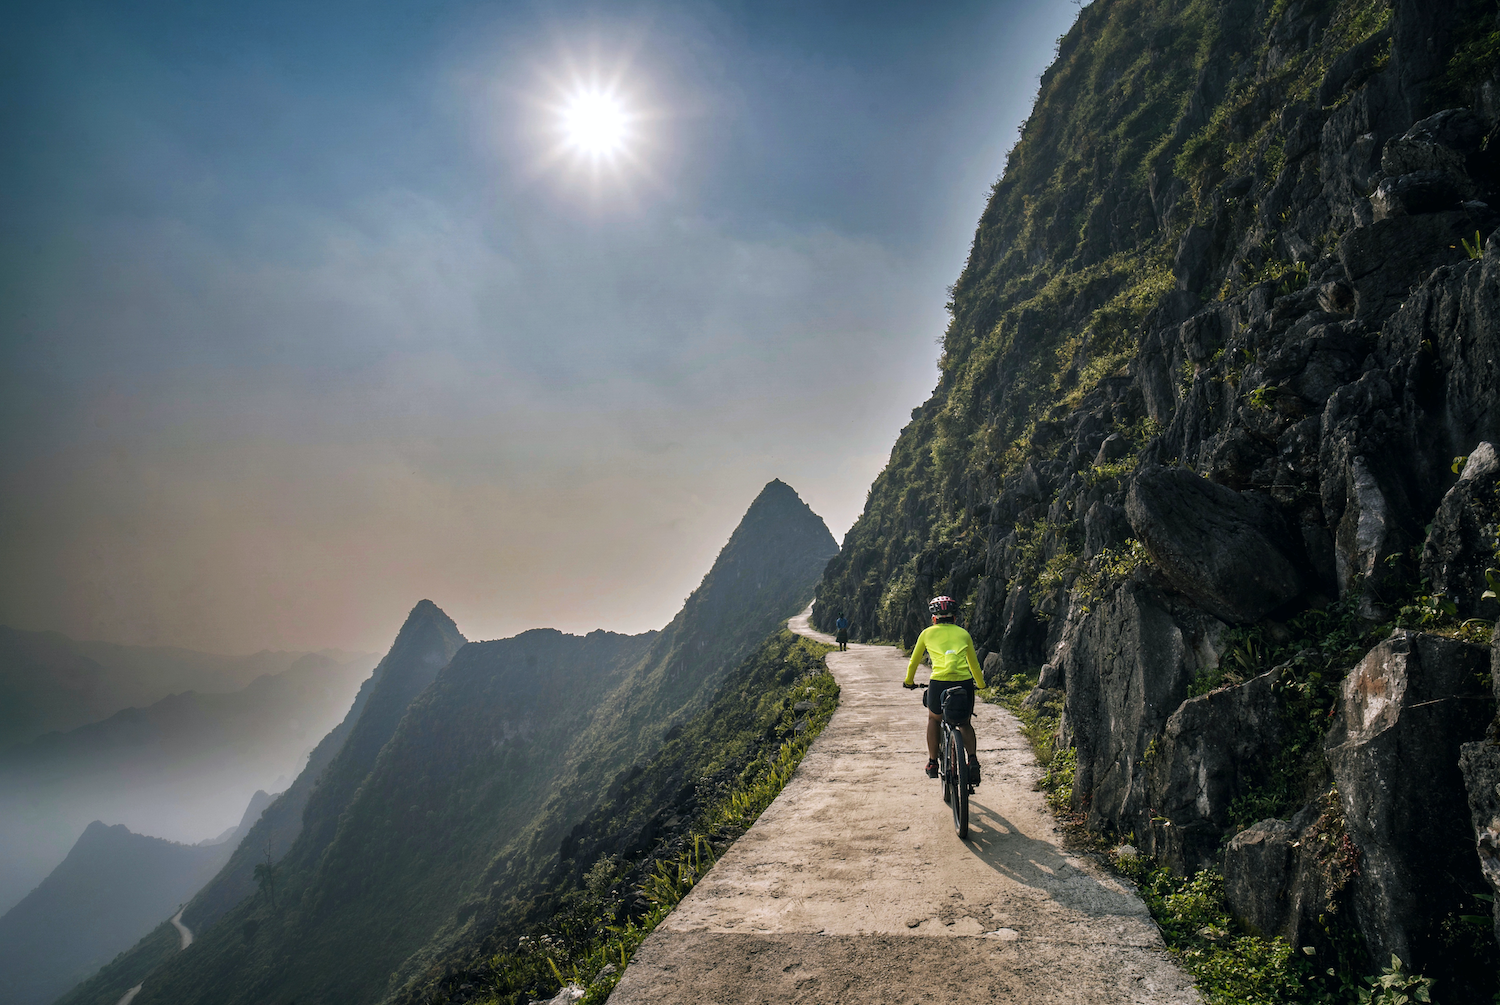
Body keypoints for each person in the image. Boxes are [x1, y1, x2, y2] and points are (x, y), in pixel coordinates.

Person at [902, 595, 984, 784]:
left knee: (933, 718)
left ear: (934, 619)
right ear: (954, 618)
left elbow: (914, 661)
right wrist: (980, 684)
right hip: (963, 683)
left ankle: (932, 762)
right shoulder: (963, 634)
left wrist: (909, 681)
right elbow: (974, 664)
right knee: (964, 722)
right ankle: (972, 759)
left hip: (938, 683)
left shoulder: (927, 633)